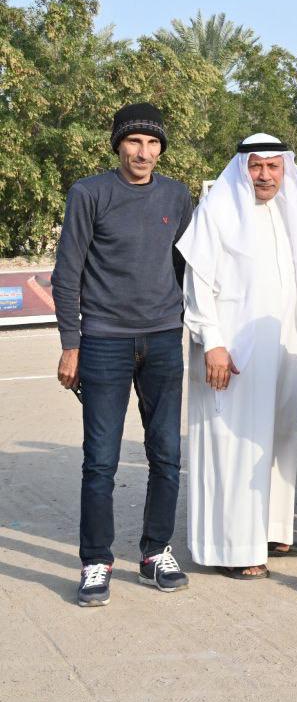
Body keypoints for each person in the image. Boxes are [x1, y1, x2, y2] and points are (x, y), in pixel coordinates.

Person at [52, 102, 194, 607]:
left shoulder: (177, 195)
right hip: (103, 342)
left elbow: (187, 266)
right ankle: (96, 561)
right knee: (100, 461)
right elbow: (67, 273)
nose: (143, 152)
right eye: (134, 141)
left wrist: (184, 322)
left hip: (163, 340)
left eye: (153, 143)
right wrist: (71, 345)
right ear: (118, 145)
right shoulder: (89, 193)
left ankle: (156, 552)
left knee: (167, 455)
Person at [179, 134, 297, 579]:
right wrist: (212, 342)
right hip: (232, 351)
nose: (265, 175)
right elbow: (198, 283)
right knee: (233, 444)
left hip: (284, 347)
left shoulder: (290, 211)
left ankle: (272, 533)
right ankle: (233, 548)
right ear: (242, 168)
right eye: (256, 166)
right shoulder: (217, 211)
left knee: (278, 438)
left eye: (273, 167)